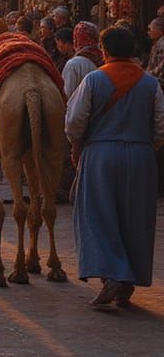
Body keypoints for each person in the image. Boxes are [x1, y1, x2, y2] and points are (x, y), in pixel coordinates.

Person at [66, 27, 164, 309]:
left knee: (98, 214)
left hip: (100, 154)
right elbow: (161, 125)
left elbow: (74, 122)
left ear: (104, 50)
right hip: (141, 154)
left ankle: (112, 274)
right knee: (136, 217)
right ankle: (128, 281)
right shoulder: (150, 83)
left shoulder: (94, 79)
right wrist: (146, 146)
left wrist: (77, 144)